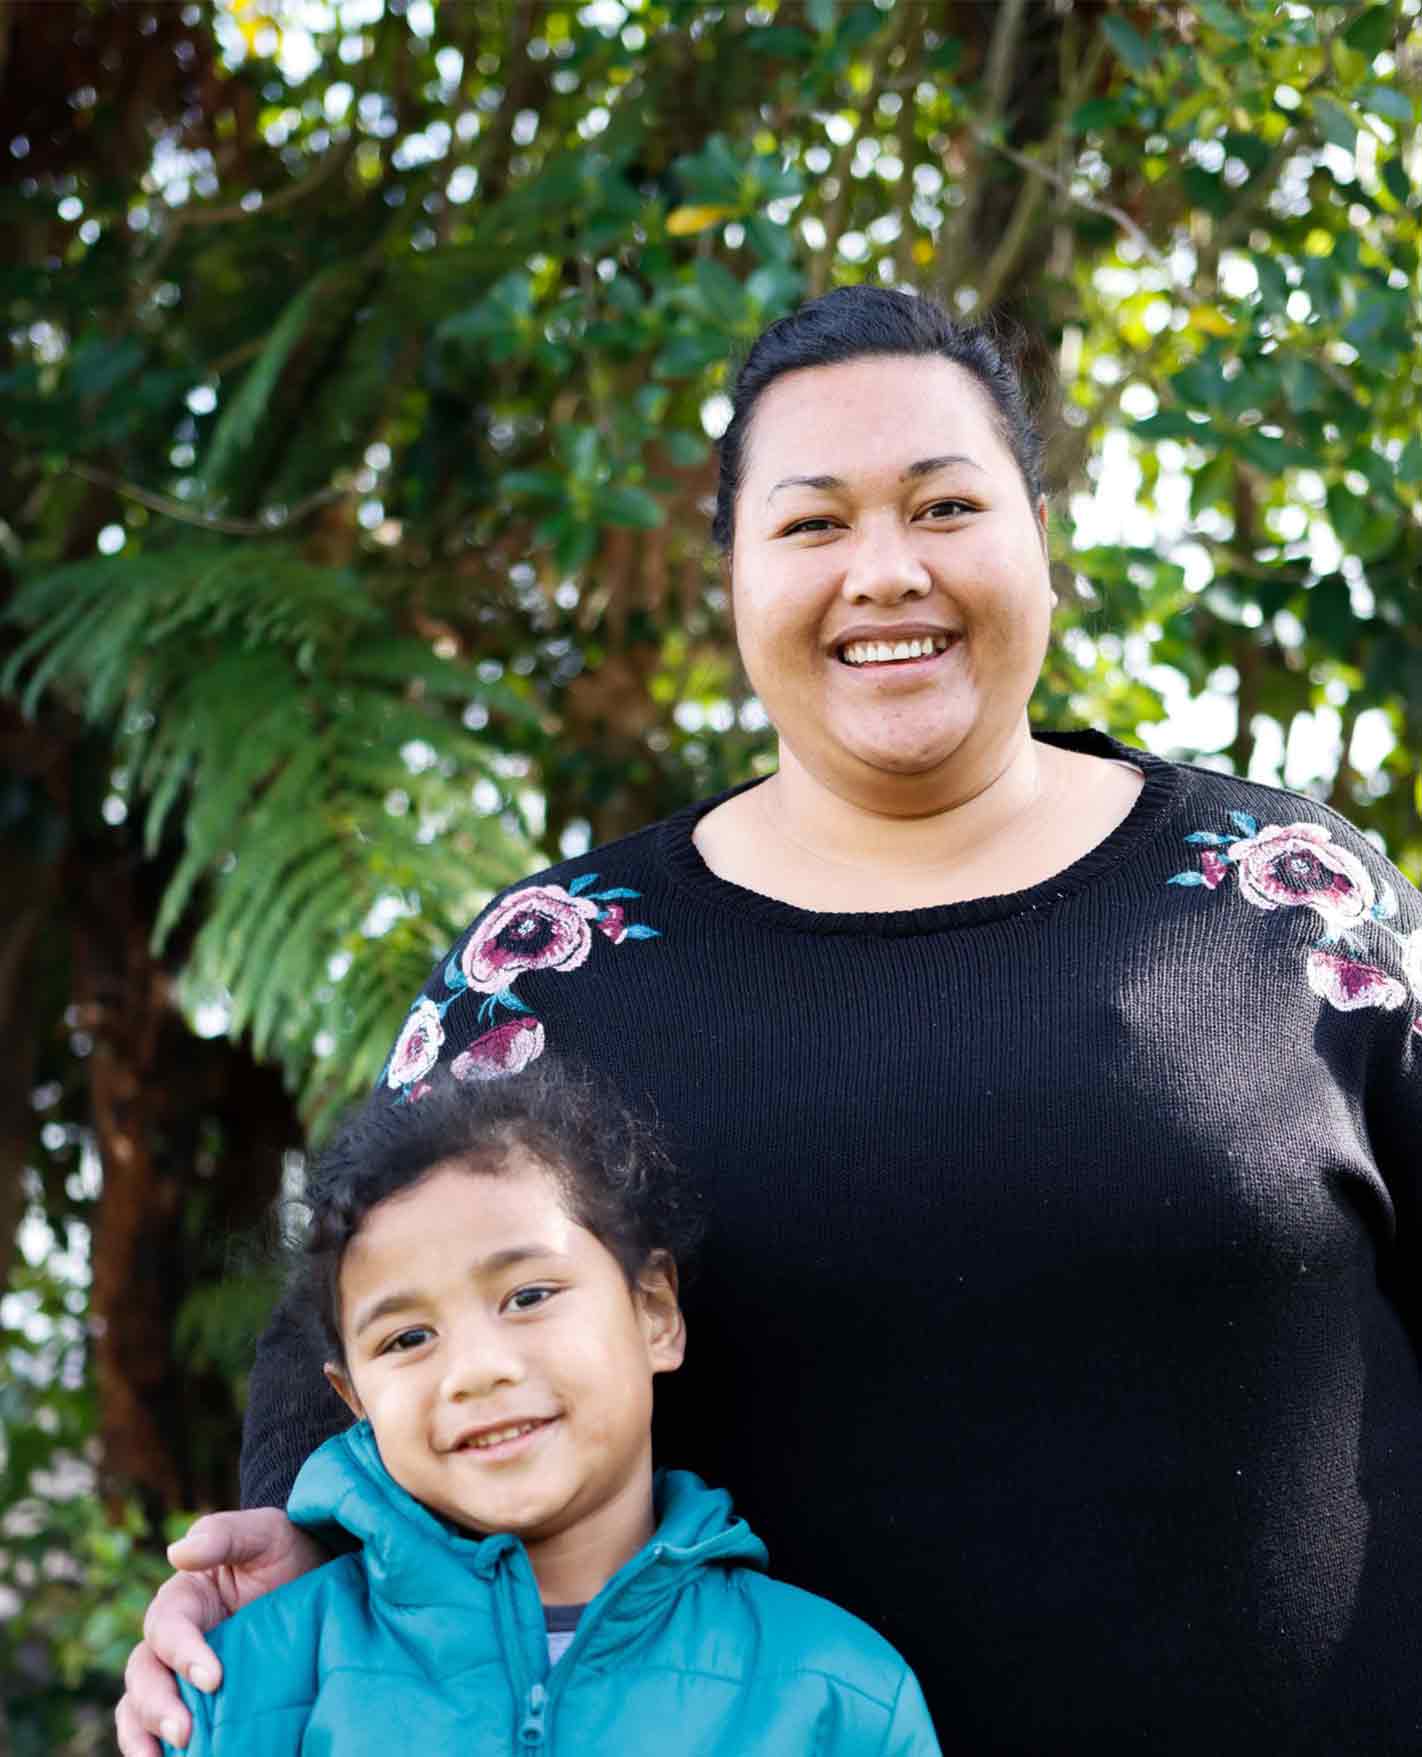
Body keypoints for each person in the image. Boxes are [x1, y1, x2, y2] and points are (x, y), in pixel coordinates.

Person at [120, 284, 1422, 1756]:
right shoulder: (554, 975)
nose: (884, 572)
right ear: (729, 580)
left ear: (1036, 542)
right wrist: (316, 1580)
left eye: (943, 506)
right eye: (811, 525)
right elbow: (345, 1354)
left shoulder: (1286, 905)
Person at [159, 1063, 940, 1756]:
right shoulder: (251, 1680)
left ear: (655, 1311)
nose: (476, 1369)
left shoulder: (836, 1694)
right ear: (355, 1399)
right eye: (407, 1337)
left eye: (528, 1295)